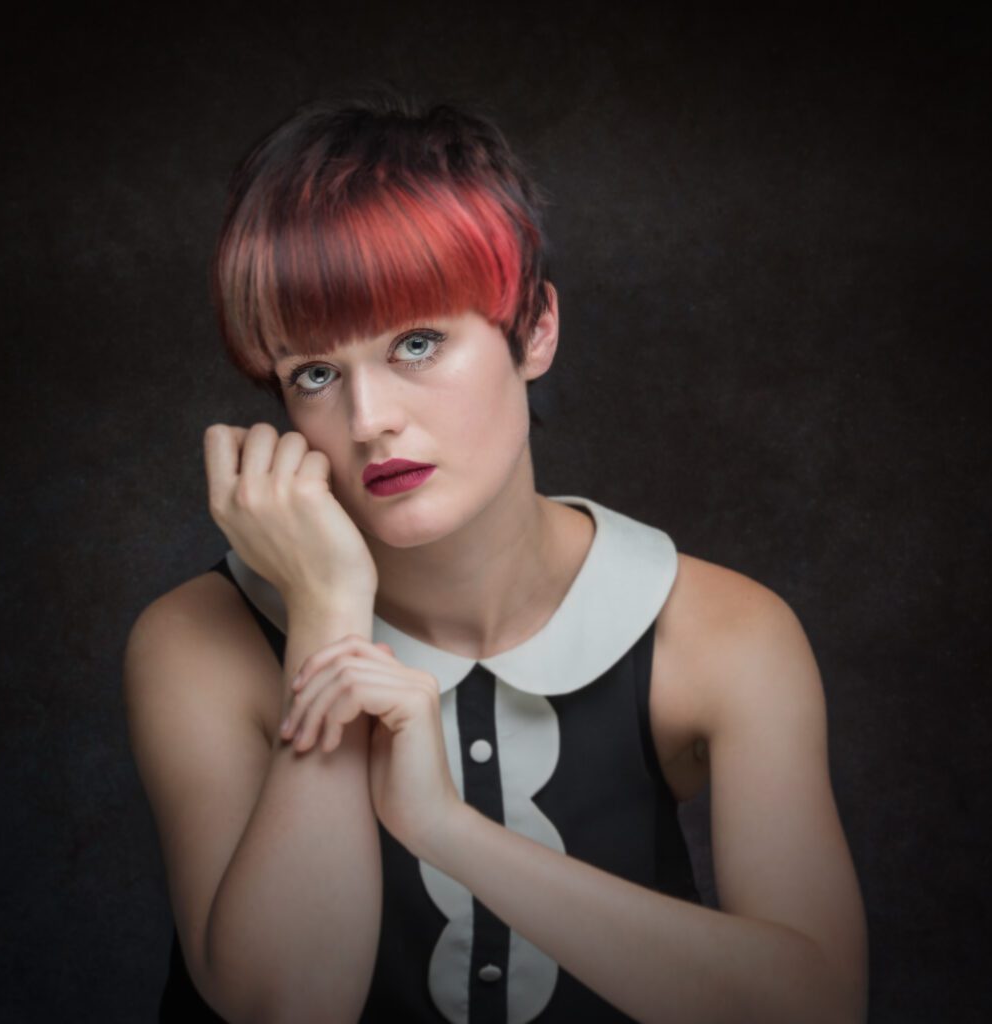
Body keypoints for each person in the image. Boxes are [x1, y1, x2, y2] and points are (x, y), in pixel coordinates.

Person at [122, 89, 868, 1024]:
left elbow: (818, 1008)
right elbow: (286, 1006)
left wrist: (447, 832)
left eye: (418, 343)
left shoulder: (721, 632)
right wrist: (326, 612)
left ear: (536, 330)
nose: (368, 420)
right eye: (314, 373)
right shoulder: (198, 639)